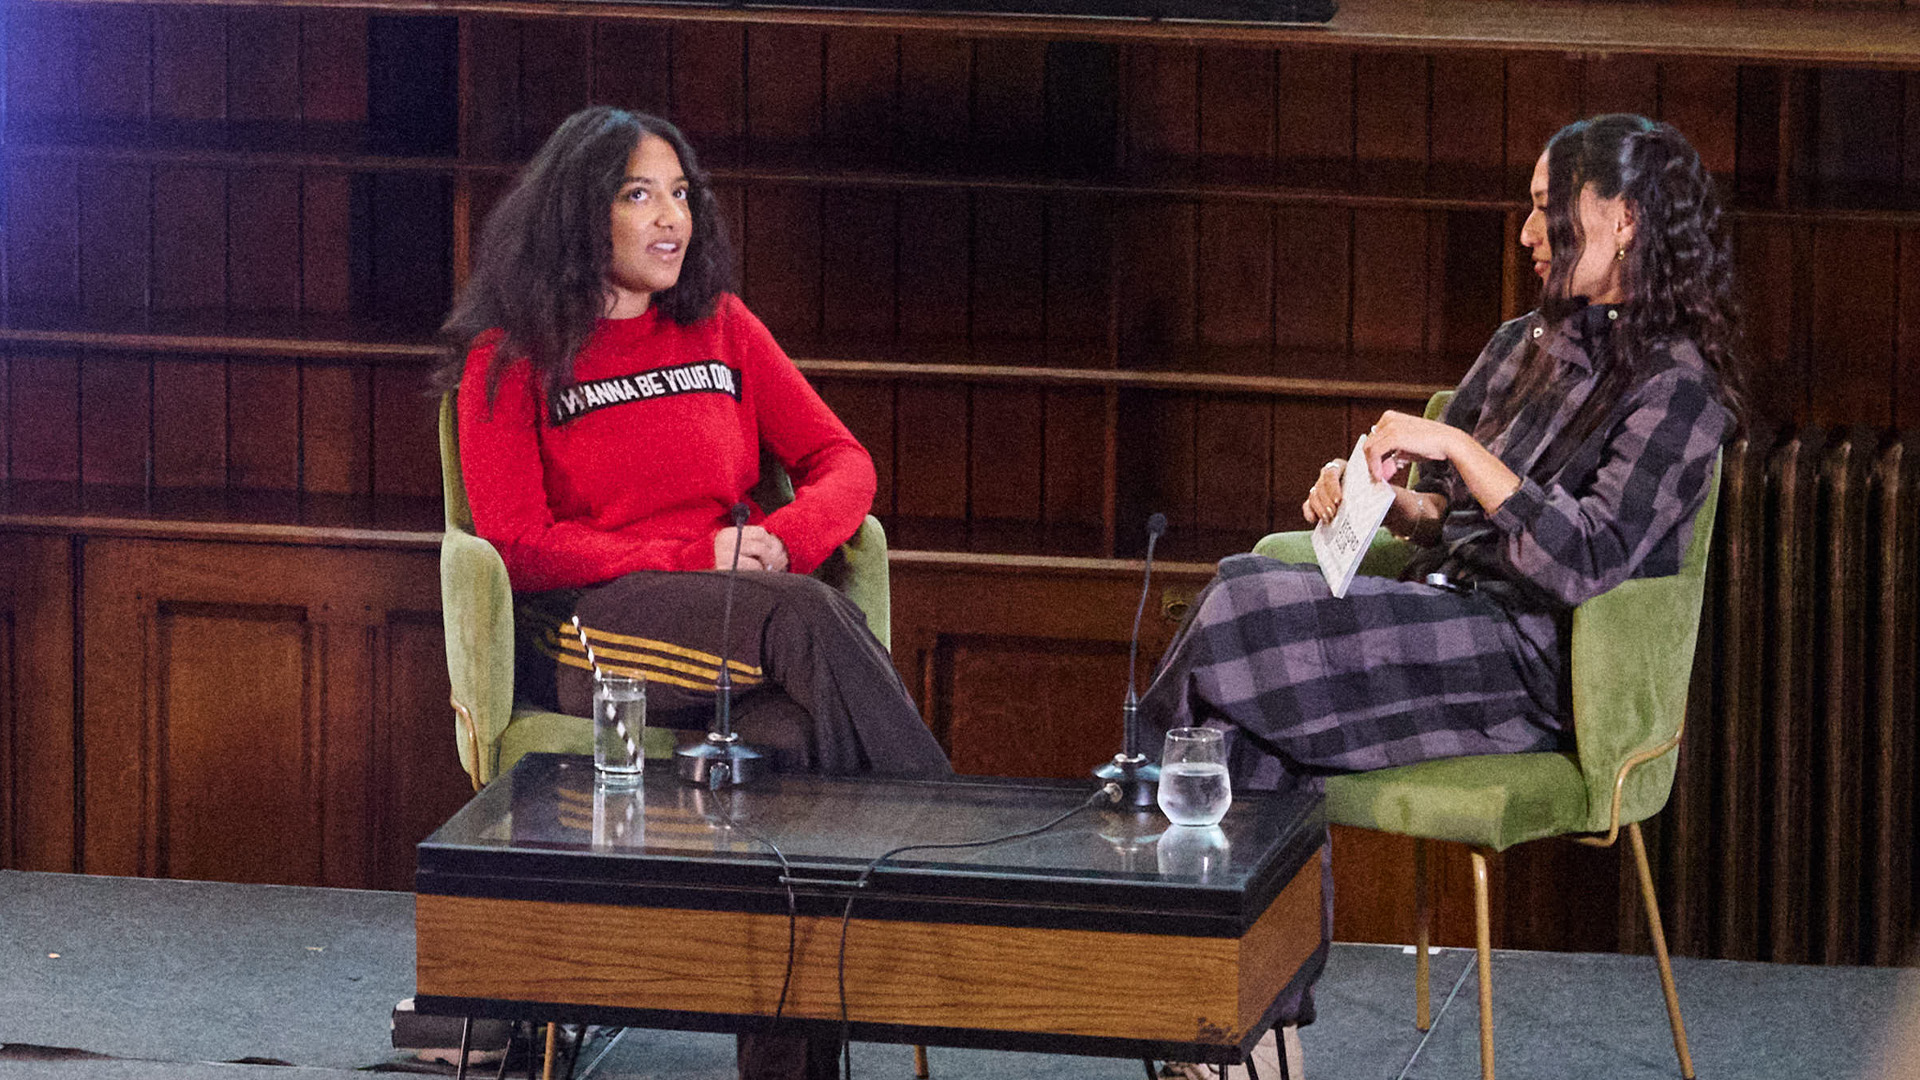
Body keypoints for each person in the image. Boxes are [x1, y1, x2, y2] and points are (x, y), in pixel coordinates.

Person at [1143, 114, 1741, 1068]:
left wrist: (1457, 447)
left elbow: (1585, 559)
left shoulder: (1681, 390)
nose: (1527, 231)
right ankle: (1241, 1028)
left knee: (1238, 614)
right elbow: (1453, 515)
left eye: (1549, 209)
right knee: (1248, 635)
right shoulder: (1523, 344)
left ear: (1623, 218)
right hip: (1442, 613)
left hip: (1533, 664)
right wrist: (1378, 503)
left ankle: (1168, 908)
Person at [439, 106, 950, 1079]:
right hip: (593, 635)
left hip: (735, 619)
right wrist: (696, 557)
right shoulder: (508, 357)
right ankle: (954, 868)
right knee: (804, 613)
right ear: (580, 213)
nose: (669, 216)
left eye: (680, 193)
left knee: (793, 743)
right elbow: (518, 545)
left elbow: (843, 460)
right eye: (639, 194)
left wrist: (779, 538)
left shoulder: (720, 329)